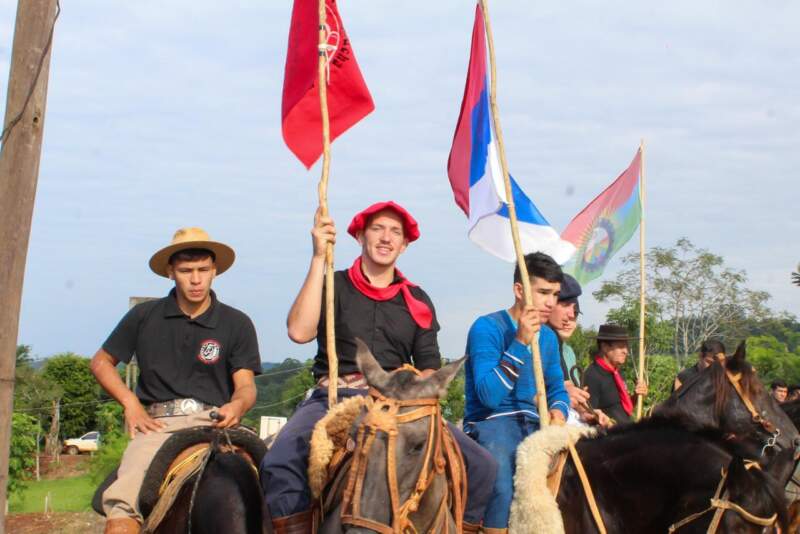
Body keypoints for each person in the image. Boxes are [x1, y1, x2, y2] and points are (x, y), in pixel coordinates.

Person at [260, 201, 497, 533]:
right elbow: (299, 331)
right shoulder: (334, 284)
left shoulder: (417, 299)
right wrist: (317, 257)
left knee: (484, 465)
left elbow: (429, 367)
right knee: (279, 462)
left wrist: (416, 400)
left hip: (401, 406)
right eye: (378, 229)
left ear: (404, 244)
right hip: (335, 399)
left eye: (395, 232)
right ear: (360, 236)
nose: (386, 238)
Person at [90, 228, 262, 534]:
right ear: (171, 272)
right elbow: (101, 362)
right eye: (185, 271)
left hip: (218, 422)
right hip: (159, 426)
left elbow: (246, 385)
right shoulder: (144, 316)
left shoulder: (237, 323)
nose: (195, 280)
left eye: (202, 270)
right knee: (123, 502)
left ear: (215, 271)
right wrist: (131, 403)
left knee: (280, 487)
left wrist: (237, 404)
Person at [463, 252, 570, 532]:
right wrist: (520, 342)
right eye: (543, 292)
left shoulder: (548, 337)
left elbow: (557, 387)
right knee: (501, 479)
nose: (551, 302)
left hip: (535, 422)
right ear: (519, 289)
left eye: (555, 294)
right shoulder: (486, 327)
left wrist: (559, 411)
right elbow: (488, 396)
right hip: (490, 423)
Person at [547, 274, 609, 427]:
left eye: (575, 314)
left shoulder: (568, 352)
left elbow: (571, 397)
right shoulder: (532, 343)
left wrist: (586, 411)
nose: (570, 317)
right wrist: (562, 394)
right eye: (563, 304)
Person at [582, 324, 647, 424]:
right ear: (604, 347)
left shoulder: (617, 372)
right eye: (621, 347)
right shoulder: (592, 376)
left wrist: (637, 396)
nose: (626, 351)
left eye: (626, 347)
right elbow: (589, 416)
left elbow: (621, 408)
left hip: (626, 431)